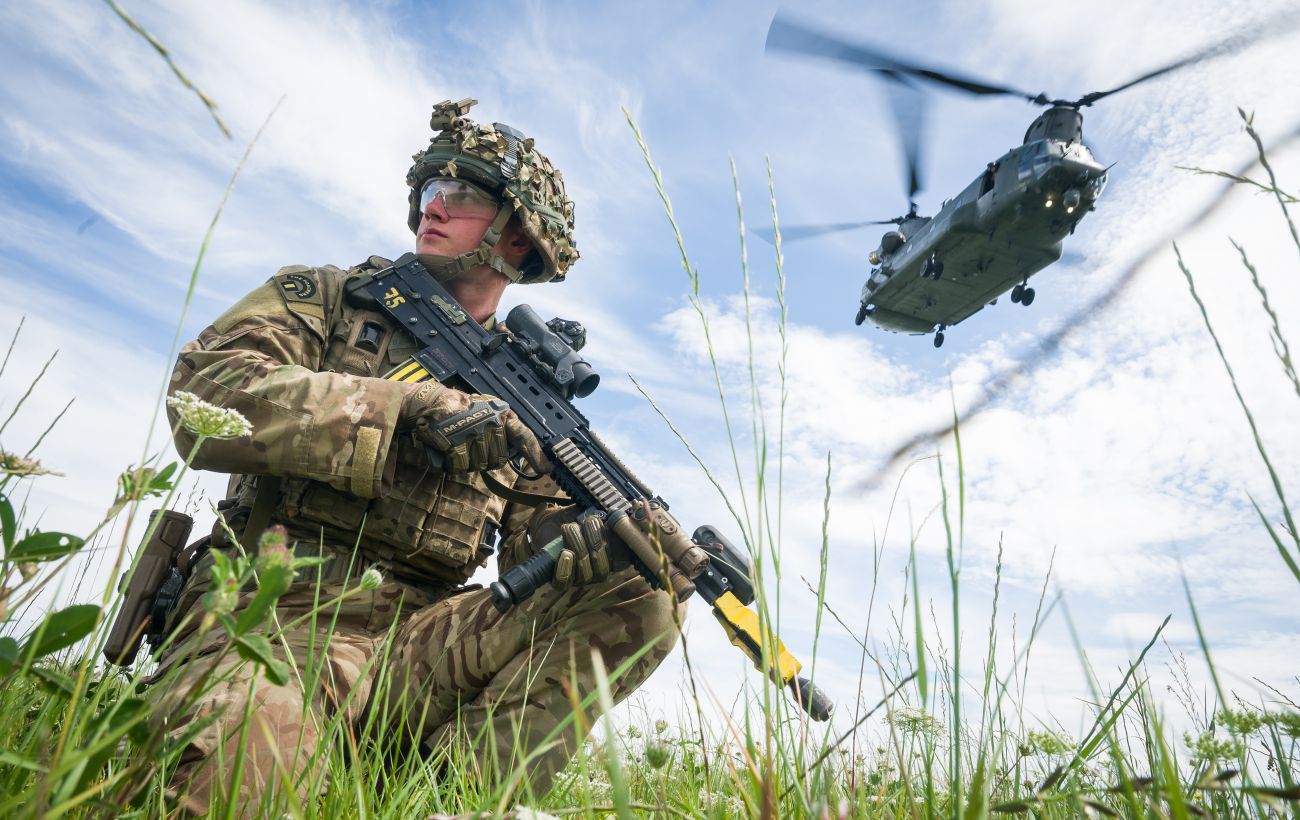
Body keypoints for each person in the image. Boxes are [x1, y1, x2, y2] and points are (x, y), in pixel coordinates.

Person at [150, 98, 679, 815]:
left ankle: (442, 800)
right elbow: (200, 399)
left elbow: (541, 542)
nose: (432, 209)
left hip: (421, 648)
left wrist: (593, 544)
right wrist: (401, 409)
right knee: (254, 759)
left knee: (643, 590)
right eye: (431, 191)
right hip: (269, 612)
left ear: (518, 241)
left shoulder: (527, 394)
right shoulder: (329, 301)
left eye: (460, 197)